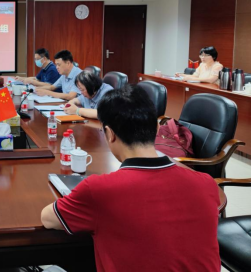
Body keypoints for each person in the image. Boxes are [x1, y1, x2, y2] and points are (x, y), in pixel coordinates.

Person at [41, 85, 221, 272]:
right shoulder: (206, 183)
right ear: (157, 128)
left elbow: (47, 218)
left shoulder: (99, 190)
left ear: (110, 134)